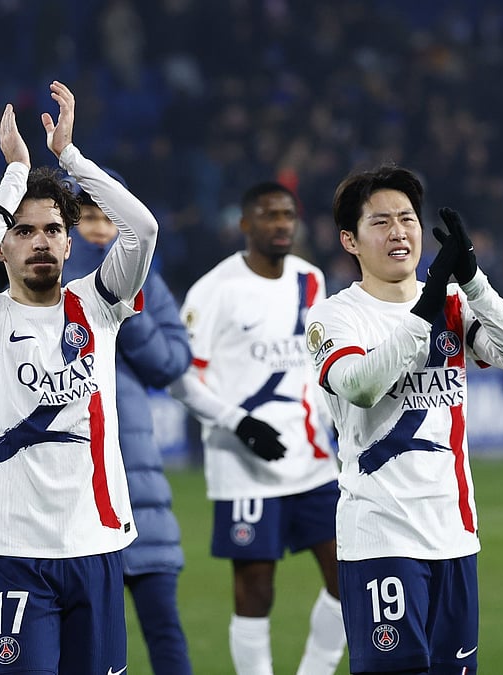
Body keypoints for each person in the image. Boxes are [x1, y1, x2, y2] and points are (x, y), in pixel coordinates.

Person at [0, 81, 157, 675]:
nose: (40, 242)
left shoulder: (97, 305)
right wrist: (15, 173)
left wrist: (71, 159)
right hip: (13, 550)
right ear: (3, 247)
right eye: (23, 231)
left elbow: (142, 229)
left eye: (52, 231)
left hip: (96, 541)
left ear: (69, 242)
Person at [306, 165, 503, 675]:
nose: (398, 231)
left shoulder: (454, 305)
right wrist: (429, 302)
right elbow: (362, 386)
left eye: (407, 218)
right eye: (380, 222)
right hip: (381, 536)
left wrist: (473, 281)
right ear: (350, 240)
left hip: (454, 533)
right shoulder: (335, 317)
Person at [171, 182, 346, 675]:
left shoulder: (311, 281)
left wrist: (336, 426)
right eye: (269, 215)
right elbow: (179, 377)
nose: (281, 224)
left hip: (313, 461)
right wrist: (238, 424)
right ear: (245, 224)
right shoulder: (214, 291)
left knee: (348, 577)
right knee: (255, 590)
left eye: (288, 214)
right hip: (243, 468)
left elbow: (319, 366)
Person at [62, 170, 194, 674]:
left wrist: (119, 300)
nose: (98, 230)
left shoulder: (147, 283)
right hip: (78, 484)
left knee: (164, 629)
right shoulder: (51, 284)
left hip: (138, 479)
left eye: (107, 219)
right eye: (88, 218)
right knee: (90, 640)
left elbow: (171, 362)